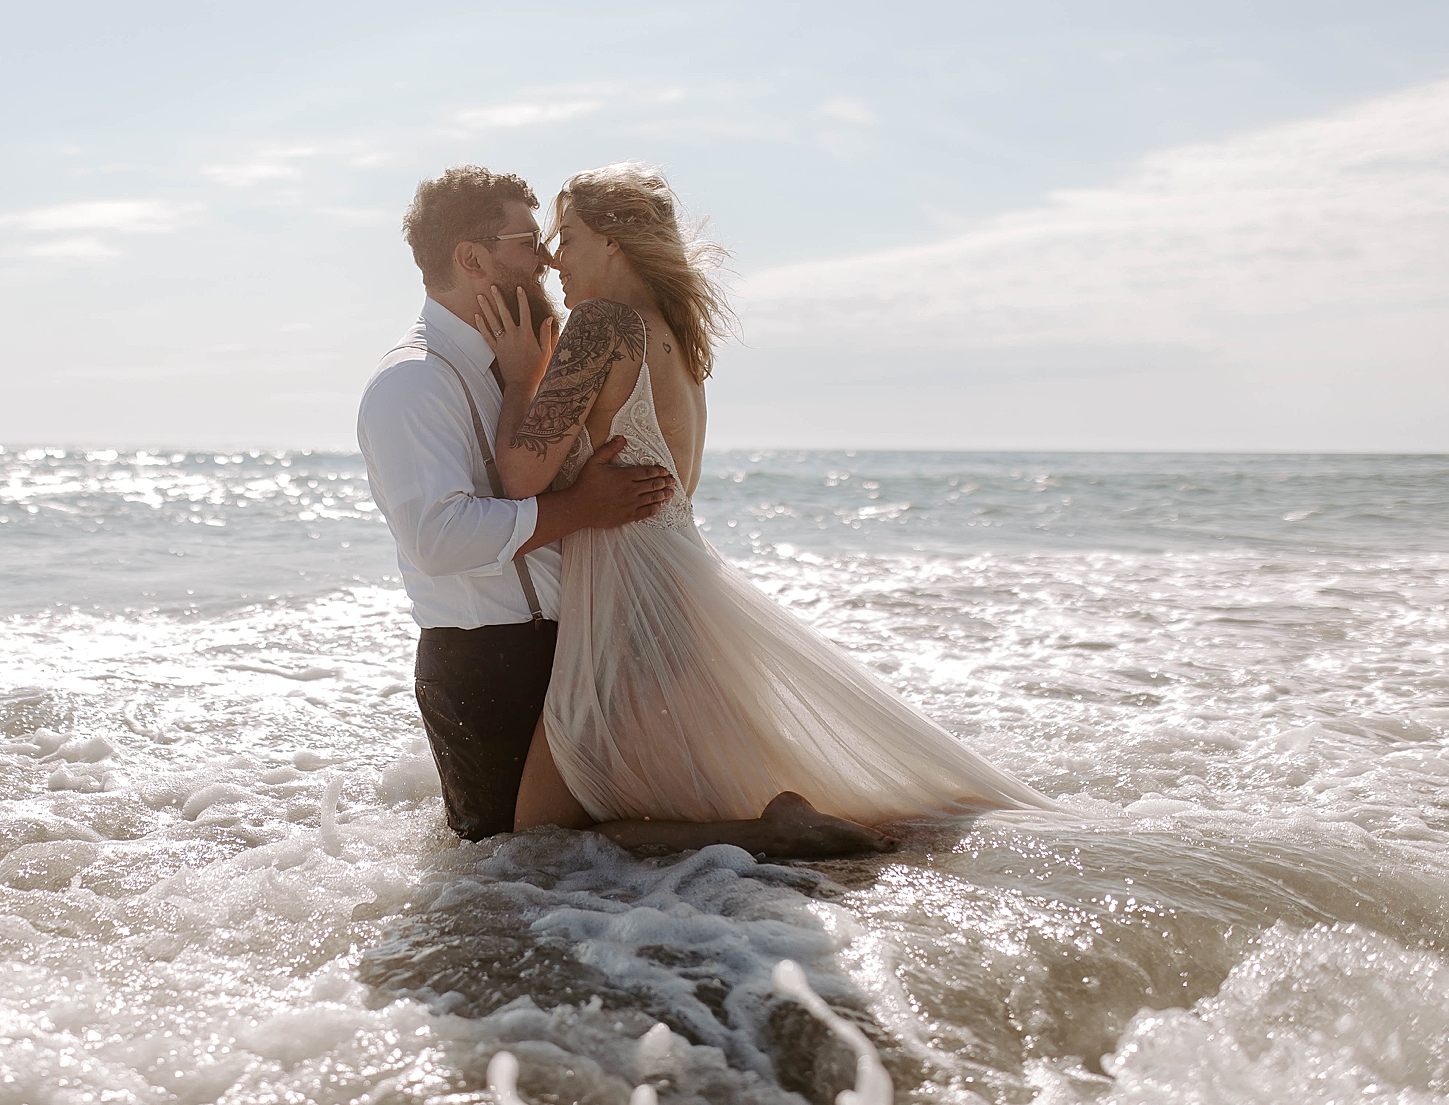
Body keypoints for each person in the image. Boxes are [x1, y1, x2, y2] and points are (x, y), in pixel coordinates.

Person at [473, 163, 1058, 855]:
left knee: (537, 842)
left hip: (629, 617)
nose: (552, 257)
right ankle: (775, 837)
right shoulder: (675, 336)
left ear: (614, 243)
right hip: (679, 603)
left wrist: (518, 377)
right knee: (608, 820)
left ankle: (773, 834)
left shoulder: (603, 325)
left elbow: (519, 475)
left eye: (567, 237)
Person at [356, 166, 678, 842]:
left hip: (572, 649)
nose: (545, 258)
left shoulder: (531, 363)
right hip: (490, 666)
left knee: (596, 881)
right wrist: (581, 508)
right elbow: (438, 538)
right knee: (507, 886)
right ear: (472, 259)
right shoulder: (411, 382)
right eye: (527, 241)